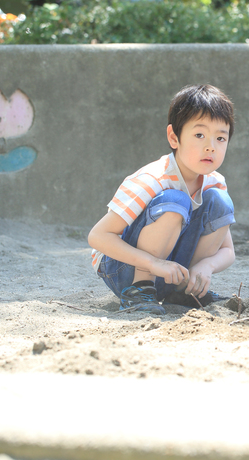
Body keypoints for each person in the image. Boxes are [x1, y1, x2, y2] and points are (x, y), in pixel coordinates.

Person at [88, 84, 237, 314]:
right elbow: (98, 236)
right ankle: (139, 291)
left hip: (170, 270)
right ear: (174, 137)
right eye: (199, 135)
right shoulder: (153, 179)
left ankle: (185, 290)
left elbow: (228, 251)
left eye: (220, 138)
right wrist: (152, 264)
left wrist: (206, 266)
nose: (210, 147)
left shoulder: (214, 182)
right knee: (176, 201)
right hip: (123, 267)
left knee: (220, 200)